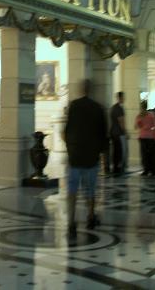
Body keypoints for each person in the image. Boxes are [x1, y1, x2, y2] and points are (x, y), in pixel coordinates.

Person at [63, 79, 108, 237]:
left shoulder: (74, 106)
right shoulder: (98, 108)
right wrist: (103, 156)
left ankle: (71, 222)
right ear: (91, 89)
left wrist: (70, 149)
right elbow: (103, 135)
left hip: (75, 156)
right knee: (90, 189)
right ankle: (90, 217)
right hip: (91, 157)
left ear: (82, 89)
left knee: (72, 190)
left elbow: (67, 130)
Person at [135, 100, 155, 176]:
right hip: (150, 137)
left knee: (144, 155)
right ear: (147, 106)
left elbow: (137, 126)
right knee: (151, 154)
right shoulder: (151, 115)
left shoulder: (139, 116)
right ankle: (153, 170)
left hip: (142, 136)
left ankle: (146, 170)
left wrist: (139, 119)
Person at [109, 92, 127, 175]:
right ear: (120, 98)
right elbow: (121, 121)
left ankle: (115, 167)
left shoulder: (113, 108)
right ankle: (118, 168)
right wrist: (125, 132)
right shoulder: (119, 109)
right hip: (119, 133)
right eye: (123, 97)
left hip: (113, 132)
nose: (124, 99)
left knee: (115, 151)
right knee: (119, 151)